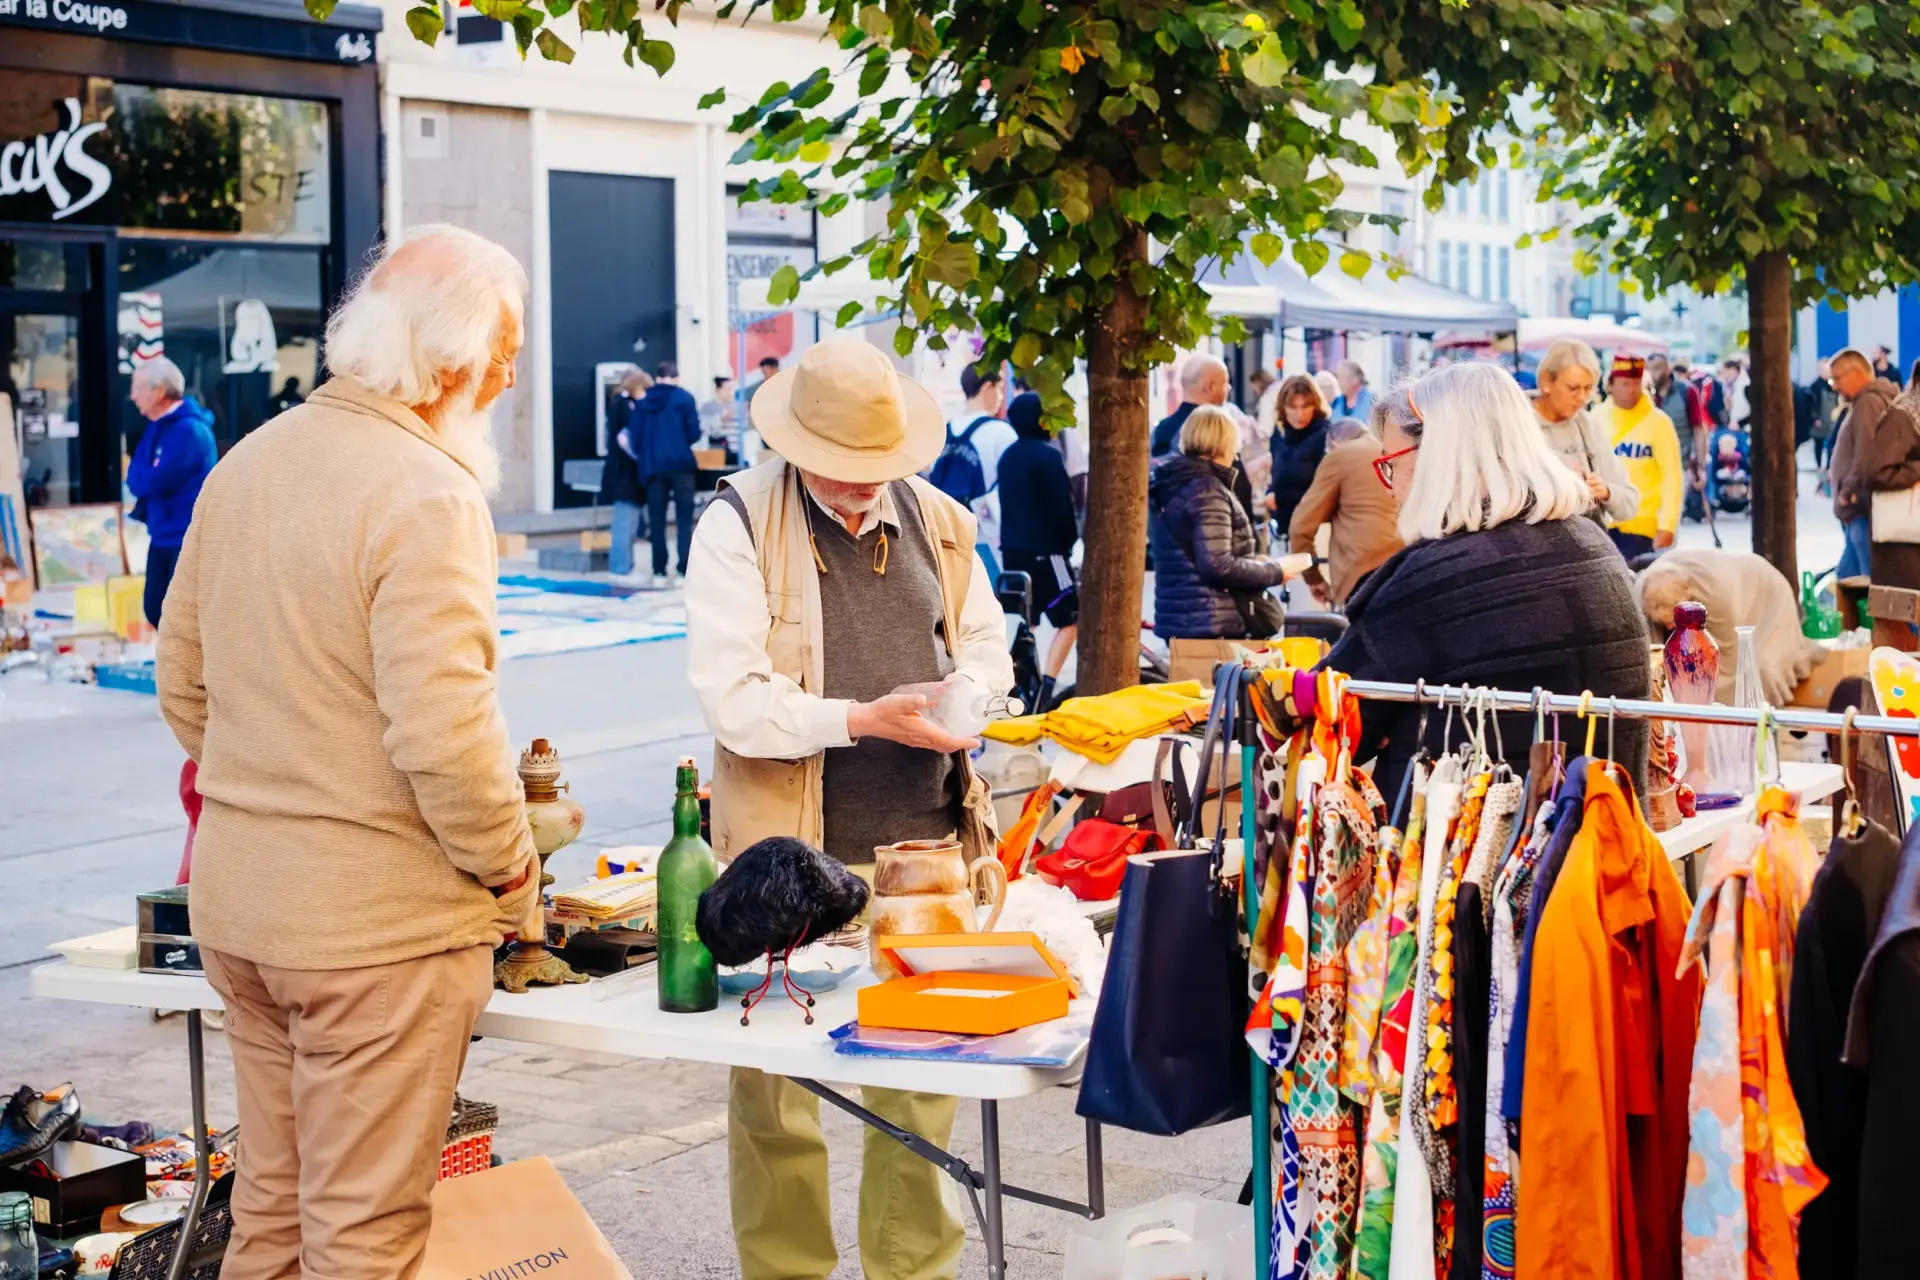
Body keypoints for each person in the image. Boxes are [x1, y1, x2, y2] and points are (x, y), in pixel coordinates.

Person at [154, 224, 539, 1279]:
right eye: (506, 347)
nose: (512, 373)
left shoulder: (247, 461)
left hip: (246, 911)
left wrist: (283, 771)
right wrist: (511, 865)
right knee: (364, 1240)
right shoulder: (427, 489)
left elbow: (182, 684)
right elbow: (447, 739)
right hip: (372, 935)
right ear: (449, 358)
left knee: (272, 1221)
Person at [684, 339, 1012, 1280]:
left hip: (925, 858)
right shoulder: (738, 521)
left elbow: (988, 646)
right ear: (796, 447)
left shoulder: (941, 518)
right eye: (847, 472)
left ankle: (912, 1274)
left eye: (884, 468)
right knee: (776, 1101)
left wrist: (969, 704)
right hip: (787, 855)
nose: (869, 488)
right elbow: (733, 696)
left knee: (918, 1093)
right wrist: (860, 719)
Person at [1324, 364, 1651, 803]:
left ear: (1439, 458)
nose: (1388, 486)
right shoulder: (1594, 542)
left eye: (1390, 464)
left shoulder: (1432, 576)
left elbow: (1332, 724)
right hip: (1601, 842)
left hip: (1473, 857)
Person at [1149, 405, 1295, 640]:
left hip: (1188, 618)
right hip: (1211, 622)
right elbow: (1217, 565)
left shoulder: (1175, 483)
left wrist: (1252, 560)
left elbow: (1203, 551)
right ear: (1225, 442)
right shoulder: (1206, 490)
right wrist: (1274, 572)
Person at [1637, 550, 1827, 706]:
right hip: (1731, 585)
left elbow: (1726, 662)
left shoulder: (1719, 599)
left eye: (1673, 621)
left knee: (1753, 670)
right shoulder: (1645, 588)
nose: (1670, 627)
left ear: (1688, 597)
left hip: (1765, 593)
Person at [995, 392, 1079, 709]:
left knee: (1022, 624)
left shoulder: (1008, 456)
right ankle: (1046, 688)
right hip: (1049, 553)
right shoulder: (1048, 455)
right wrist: (1068, 543)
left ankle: (1020, 688)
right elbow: (1063, 512)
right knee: (1072, 617)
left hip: (1014, 554)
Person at [126, 356, 218, 629]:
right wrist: (145, 475)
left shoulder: (190, 431)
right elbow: (134, 476)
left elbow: (154, 481)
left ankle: (182, 672)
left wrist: (146, 476)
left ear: (159, 391)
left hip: (184, 537)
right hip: (161, 534)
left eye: (138, 388)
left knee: (179, 621)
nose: (132, 396)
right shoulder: (157, 427)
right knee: (155, 609)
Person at [1287, 410, 1402, 608]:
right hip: (1406, 568)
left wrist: (1313, 578)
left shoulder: (1340, 456)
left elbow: (1300, 527)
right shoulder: (1397, 449)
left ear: (1334, 443)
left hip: (1362, 576)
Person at [1531, 340, 1639, 532]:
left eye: (1588, 389)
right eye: (1573, 388)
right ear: (1546, 381)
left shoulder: (1588, 426)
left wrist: (1605, 491)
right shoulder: (1517, 422)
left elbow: (1630, 501)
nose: (1581, 397)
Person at [1836, 346, 1920, 588]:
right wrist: (1848, 489)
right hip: (1894, 531)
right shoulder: (1904, 413)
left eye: (1836, 379)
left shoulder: (1875, 403)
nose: (1833, 386)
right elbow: (1873, 465)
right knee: (1865, 585)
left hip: (1870, 514)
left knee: (1854, 581)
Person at [1599, 353, 1682, 560]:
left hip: (1644, 526)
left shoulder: (1660, 423)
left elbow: (1672, 476)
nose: (1631, 390)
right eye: (1625, 383)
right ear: (1611, 384)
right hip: (1603, 524)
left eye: (1636, 383)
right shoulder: (1595, 418)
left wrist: (1668, 524)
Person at [628, 360, 702, 587]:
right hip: (682, 467)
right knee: (684, 520)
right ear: (676, 377)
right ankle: (682, 571)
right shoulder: (685, 398)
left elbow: (635, 438)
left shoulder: (643, 401)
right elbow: (694, 433)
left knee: (657, 521)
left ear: (657, 377)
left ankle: (659, 572)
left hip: (653, 468)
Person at [929, 363, 1017, 550]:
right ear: (987, 388)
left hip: (945, 537)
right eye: (1000, 389)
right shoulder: (1001, 433)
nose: (1001, 397)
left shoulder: (944, 433)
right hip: (987, 541)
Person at [602, 369, 652, 581]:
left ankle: (624, 566)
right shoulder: (624, 407)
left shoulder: (619, 404)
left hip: (623, 474)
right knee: (625, 522)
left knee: (628, 523)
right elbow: (626, 442)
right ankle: (621, 567)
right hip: (625, 475)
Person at [1268, 374, 1331, 536]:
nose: (1299, 414)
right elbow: (1277, 476)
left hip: (1314, 529)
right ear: (1283, 407)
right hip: (1284, 526)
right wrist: (1270, 493)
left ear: (1315, 407)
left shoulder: (1325, 437)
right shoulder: (1280, 434)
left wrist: (1280, 498)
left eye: (1305, 406)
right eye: (1293, 407)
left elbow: (1325, 491)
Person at [1150, 353, 1228, 457]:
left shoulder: (1159, 430)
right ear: (1210, 387)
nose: (1229, 388)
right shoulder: (1215, 431)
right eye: (1225, 383)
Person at [1809, 357, 1842, 483]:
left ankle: (1828, 466)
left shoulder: (1834, 385)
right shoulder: (1815, 386)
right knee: (1818, 444)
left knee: (1831, 444)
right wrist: (1815, 418)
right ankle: (1818, 465)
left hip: (1832, 420)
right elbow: (1811, 404)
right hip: (1820, 421)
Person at [701, 374, 738, 457]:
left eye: (732, 389)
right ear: (718, 390)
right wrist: (721, 419)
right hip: (716, 452)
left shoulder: (737, 407)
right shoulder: (708, 407)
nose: (731, 392)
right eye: (728, 389)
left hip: (737, 452)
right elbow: (705, 430)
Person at [1721, 356, 1752, 427]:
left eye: (1724, 371)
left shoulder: (1745, 386)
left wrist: (1740, 423)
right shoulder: (1731, 387)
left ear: (1732, 370)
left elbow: (1756, 411)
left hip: (1746, 430)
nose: (1723, 376)